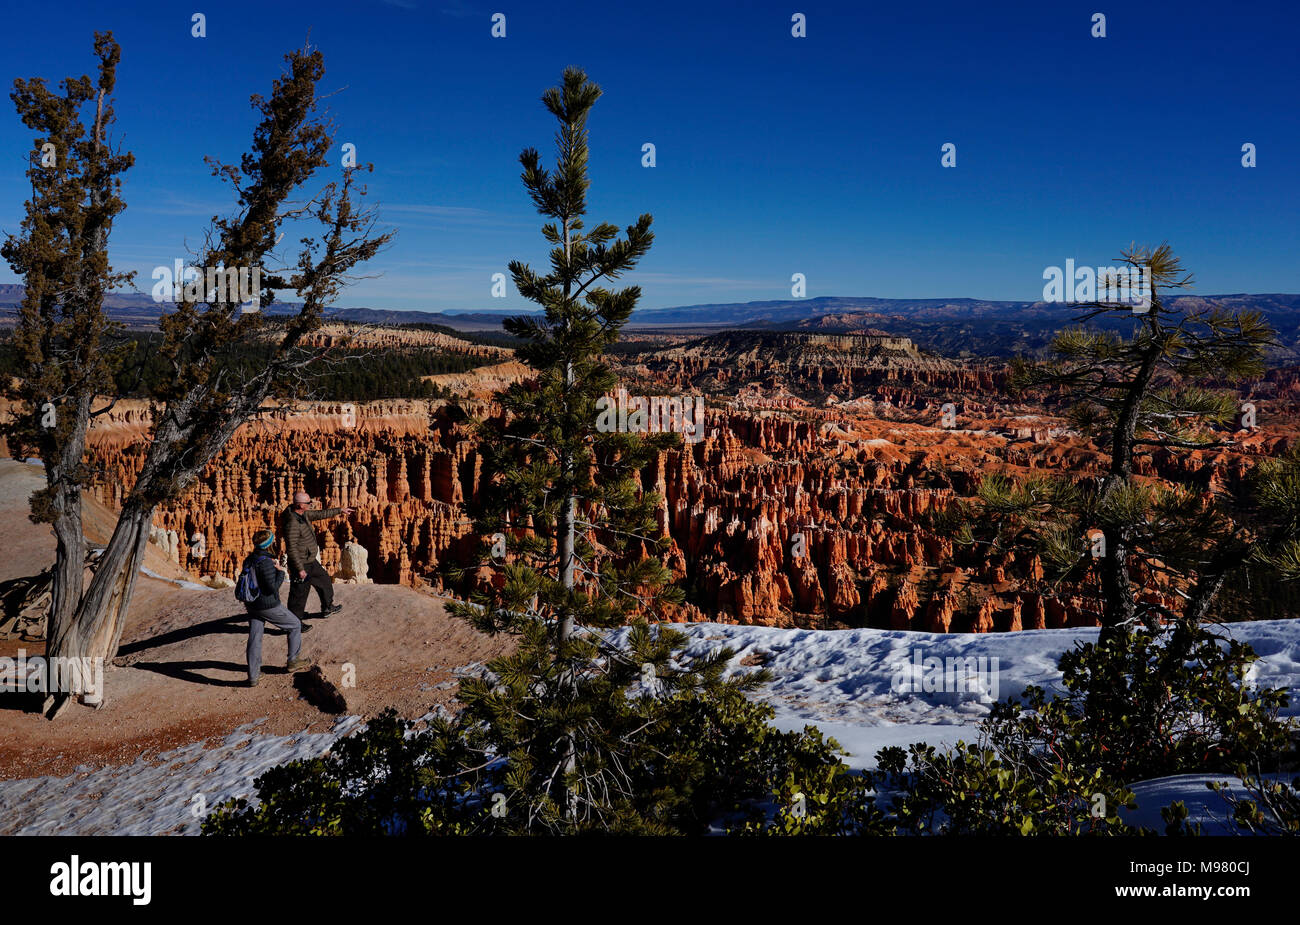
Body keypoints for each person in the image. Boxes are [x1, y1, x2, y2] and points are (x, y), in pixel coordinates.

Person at [241, 528, 310, 687]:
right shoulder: (265, 562)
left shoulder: (250, 559)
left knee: (255, 637)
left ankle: (254, 676)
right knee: (294, 625)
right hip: (267, 604)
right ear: (269, 544)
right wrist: (280, 572)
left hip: (251, 604)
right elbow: (272, 588)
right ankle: (293, 661)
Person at [280, 490, 354, 623]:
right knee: (299, 593)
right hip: (301, 563)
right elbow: (291, 548)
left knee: (324, 580)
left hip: (310, 560)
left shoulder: (303, 514)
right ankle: (295, 623)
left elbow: (320, 514)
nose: (311, 504)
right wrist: (300, 569)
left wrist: (340, 510)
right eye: (308, 503)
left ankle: (327, 607)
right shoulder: (293, 523)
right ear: (301, 505)